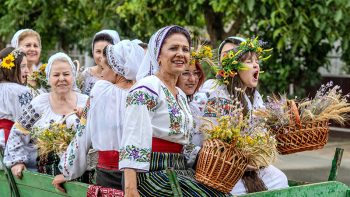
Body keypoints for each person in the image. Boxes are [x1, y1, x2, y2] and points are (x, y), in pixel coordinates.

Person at [120, 25, 229, 197]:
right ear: (158, 55)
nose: (181, 54)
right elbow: (132, 138)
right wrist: (130, 189)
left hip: (178, 170)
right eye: (173, 48)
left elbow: (181, 142)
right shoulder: (147, 87)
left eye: (185, 49)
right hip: (150, 173)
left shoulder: (181, 96)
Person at [195, 36, 288, 195]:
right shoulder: (217, 92)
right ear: (234, 68)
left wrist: (258, 154)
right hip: (221, 165)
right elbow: (211, 139)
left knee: (279, 179)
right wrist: (238, 162)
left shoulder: (254, 96)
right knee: (235, 190)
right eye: (249, 61)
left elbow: (260, 132)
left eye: (257, 61)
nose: (255, 64)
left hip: (249, 165)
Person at [52, 40, 144, 192]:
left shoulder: (101, 91)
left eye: (104, 67)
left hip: (108, 174)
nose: (101, 73)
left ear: (116, 69)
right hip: (141, 176)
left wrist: (68, 172)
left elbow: (83, 133)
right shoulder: (144, 93)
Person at [3, 52, 88, 179]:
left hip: (83, 173)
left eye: (66, 74)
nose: (61, 79)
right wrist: (17, 161)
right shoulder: (39, 103)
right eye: (56, 75)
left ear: (73, 76)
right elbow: (18, 132)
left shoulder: (86, 102)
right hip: (44, 175)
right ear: (48, 77)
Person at [0, 47, 31, 148]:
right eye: (23, 66)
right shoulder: (21, 91)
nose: (27, 71)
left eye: (27, 66)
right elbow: (25, 122)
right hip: (10, 141)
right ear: (11, 68)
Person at [79, 30, 120, 95]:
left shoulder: (119, 77)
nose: (102, 56)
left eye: (105, 52)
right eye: (98, 51)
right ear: (93, 52)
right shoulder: (86, 75)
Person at [11, 29, 47, 95]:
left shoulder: (43, 75)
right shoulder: (10, 76)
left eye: (35, 46)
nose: (32, 49)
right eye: (28, 45)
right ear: (16, 48)